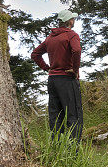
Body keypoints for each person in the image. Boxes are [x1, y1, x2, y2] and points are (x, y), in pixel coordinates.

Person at [31, 9, 83, 141]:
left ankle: (56, 148)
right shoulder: (71, 35)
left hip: (52, 80)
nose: (74, 20)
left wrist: (47, 68)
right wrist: (75, 70)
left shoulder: (50, 38)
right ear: (70, 21)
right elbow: (76, 50)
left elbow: (35, 54)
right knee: (73, 115)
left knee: (55, 115)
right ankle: (73, 152)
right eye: (73, 18)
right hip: (67, 79)